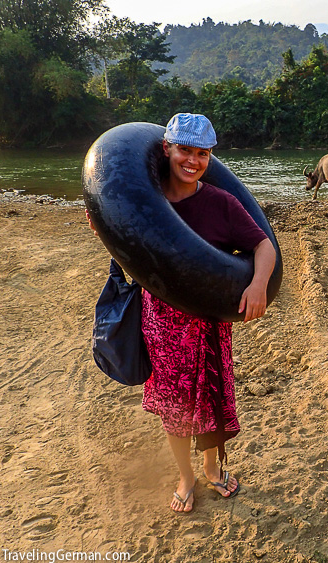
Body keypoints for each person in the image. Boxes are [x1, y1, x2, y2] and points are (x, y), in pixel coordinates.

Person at [88, 113, 277, 513]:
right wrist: (103, 226)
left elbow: (264, 247)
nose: (193, 161)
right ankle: (185, 476)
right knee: (174, 405)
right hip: (162, 322)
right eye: (185, 151)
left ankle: (211, 468)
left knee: (213, 397)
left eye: (203, 154)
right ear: (166, 149)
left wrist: (259, 284)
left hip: (208, 322)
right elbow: (135, 251)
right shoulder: (145, 197)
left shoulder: (221, 203)